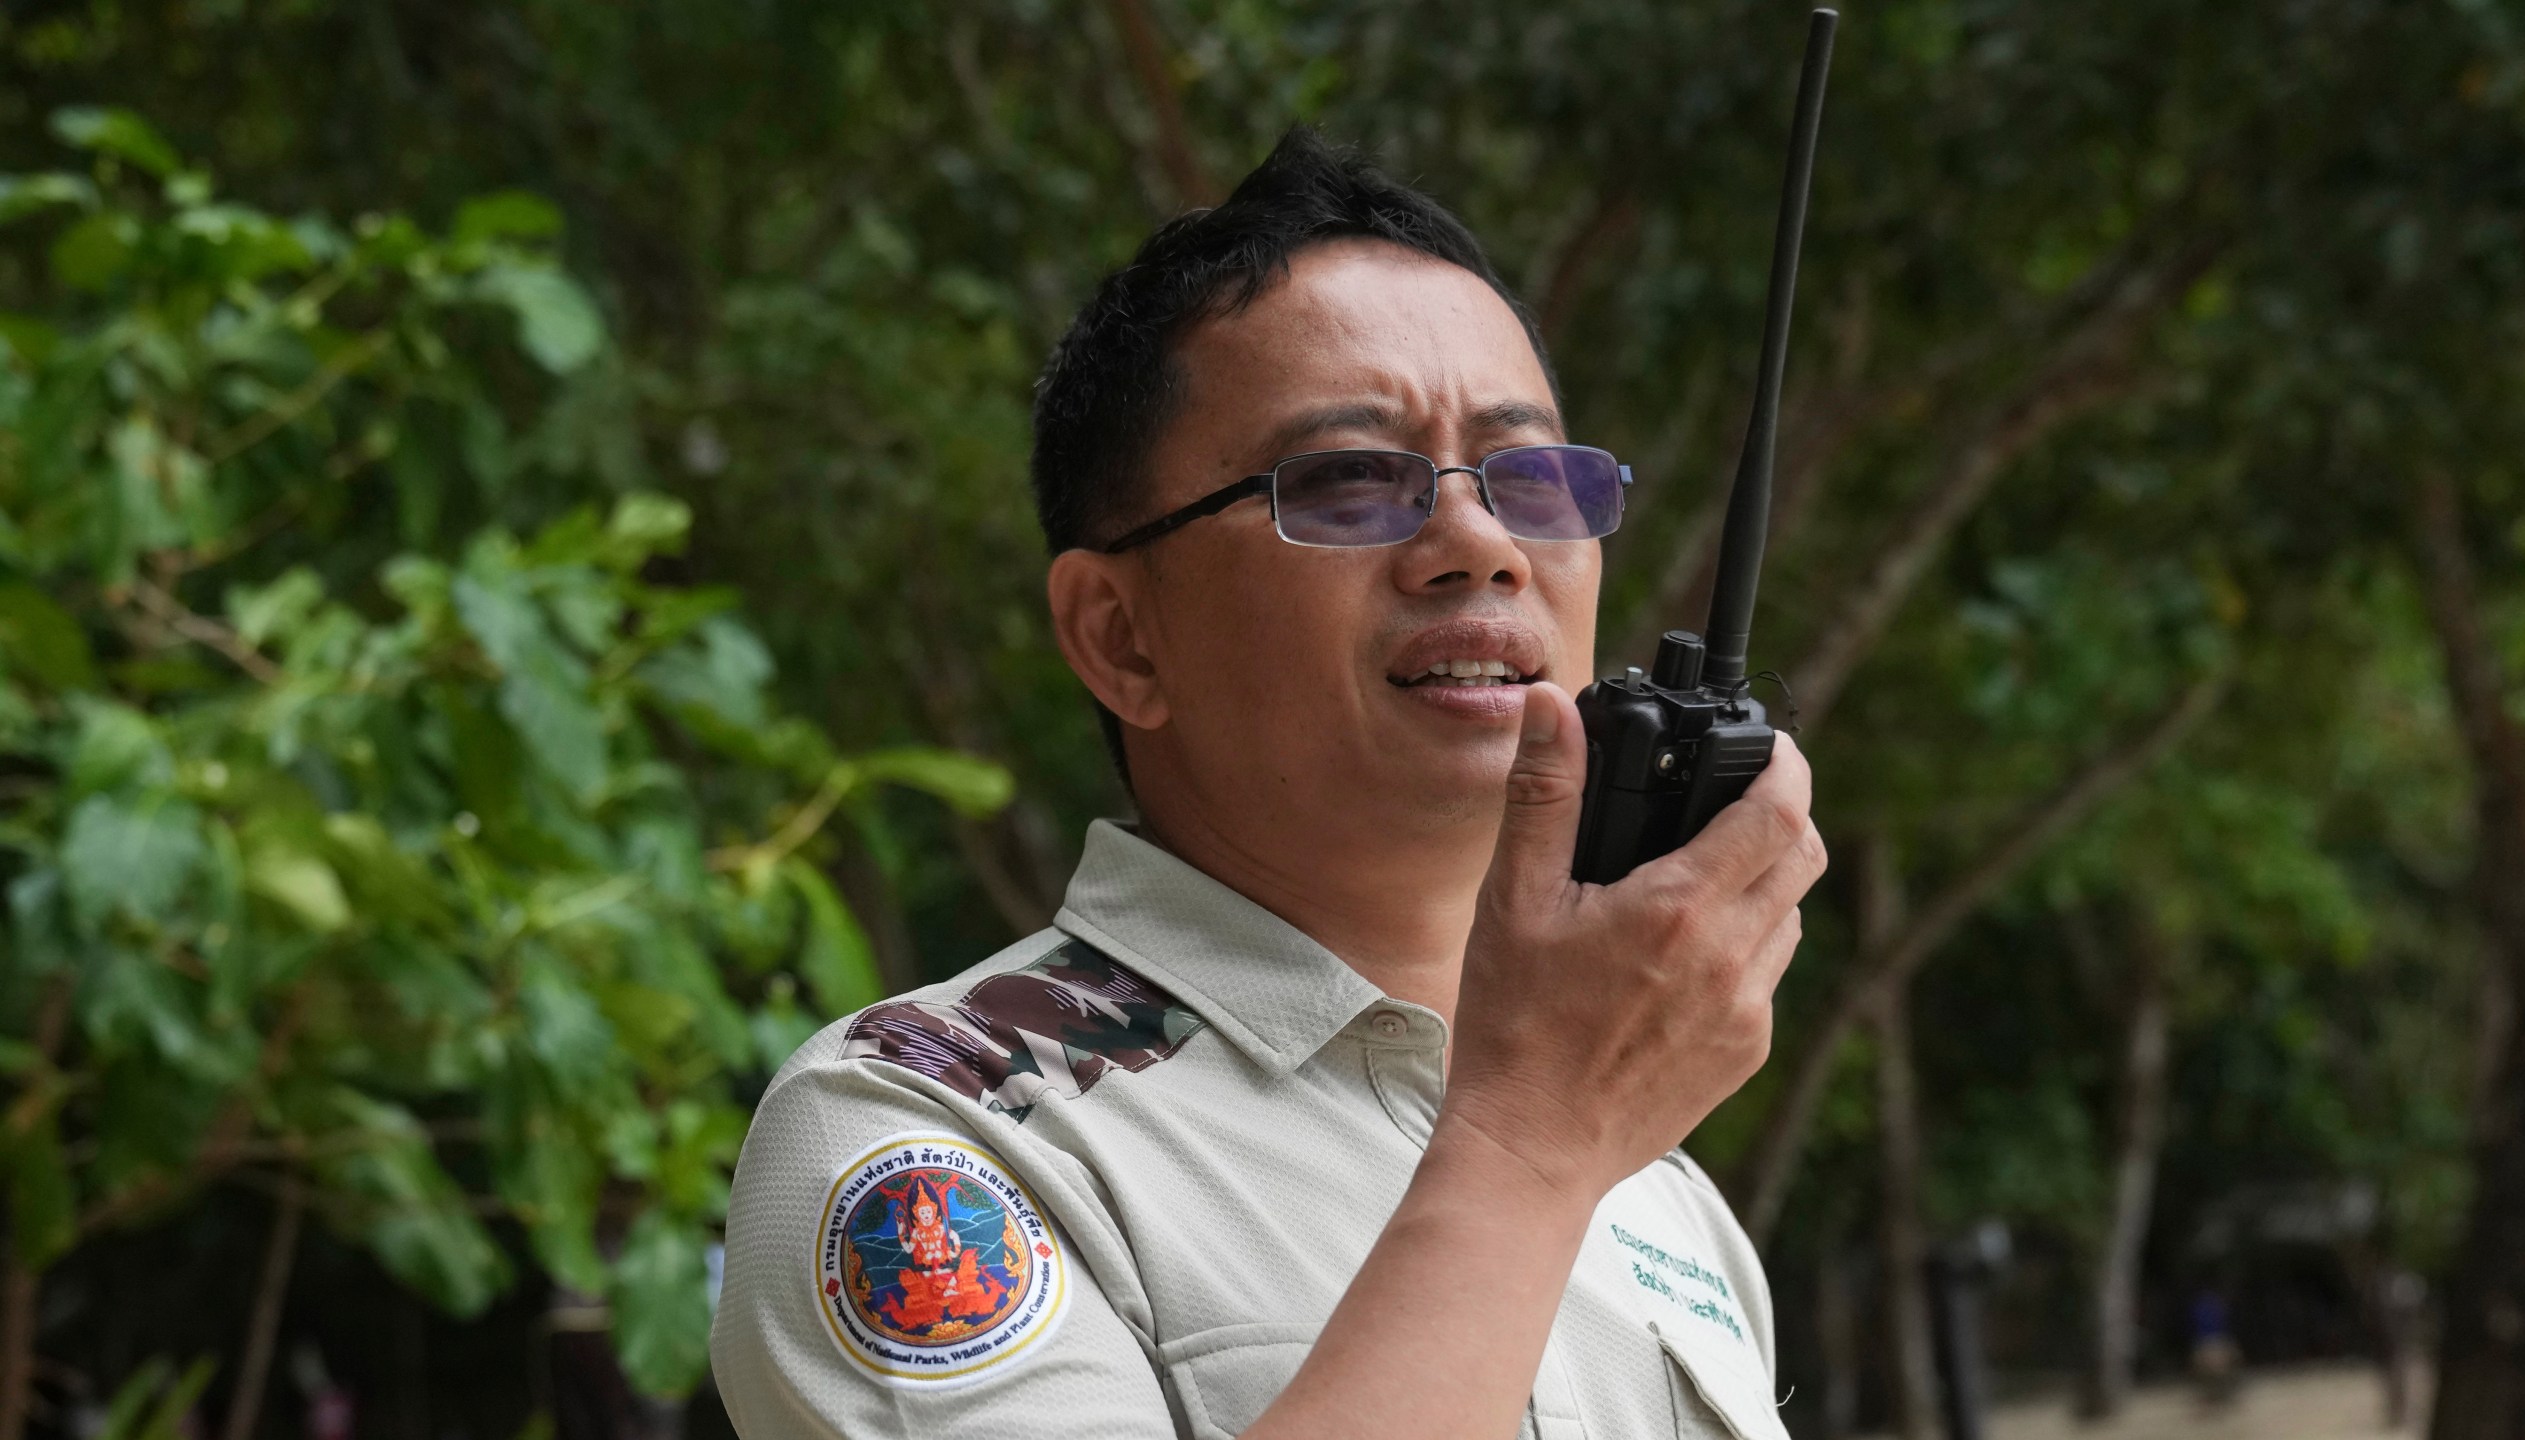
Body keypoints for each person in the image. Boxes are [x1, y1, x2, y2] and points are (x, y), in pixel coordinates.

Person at [710, 127, 1828, 1439]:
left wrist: (1560, 1127)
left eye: (1529, 477)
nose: (1479, 544)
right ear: (1122, 636)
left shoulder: (1656, 1194)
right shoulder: (937, 1135)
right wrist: (1533, 1145)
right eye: (1351, 481)